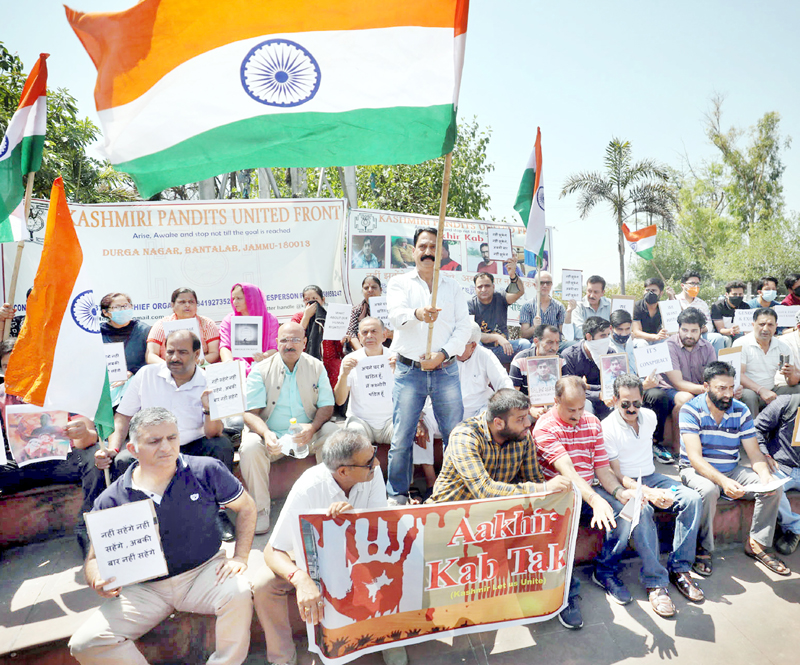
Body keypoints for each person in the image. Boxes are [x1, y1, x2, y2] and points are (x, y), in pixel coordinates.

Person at [69, 407, 256, 665]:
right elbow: (92, 560)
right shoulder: (112, 498)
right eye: (154, 441)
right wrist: (97, 580)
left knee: (239, 592)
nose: (166, 447)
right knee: (86, 643)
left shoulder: (206, 470)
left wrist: (241, 557)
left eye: (172, 437)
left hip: (202, 574)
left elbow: (246, 507)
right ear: (133, 449)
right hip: (144, 589)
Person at [252, 429, 407, 665]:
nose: (376, 463)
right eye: (369, 461)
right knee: (264, 584)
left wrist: (353, 520)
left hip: (360, 555)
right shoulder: (308, 488)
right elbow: (272, 551)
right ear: (343, 471)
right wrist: (300, 579)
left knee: (400, 560)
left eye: (374, 454)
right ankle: (282, 658)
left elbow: (379, 530)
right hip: (317, 559)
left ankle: (390, 638)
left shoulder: (372, 474)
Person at [97, 330, 235, 537]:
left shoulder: (209, 381)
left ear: (197, 354)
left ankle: (217, 512)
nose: (174, 358)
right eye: (170, 352)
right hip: (153, 447)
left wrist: (208, 409)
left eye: (182, 352)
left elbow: (213, 432)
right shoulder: (147, 375)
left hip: (192, 446)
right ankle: (142, 526)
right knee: (123, 460)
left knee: (220, 446)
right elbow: (123, 416)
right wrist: (113, 448)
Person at [533, 376, 631, 629]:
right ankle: (566, 594)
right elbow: (568, 472)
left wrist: (619, 493)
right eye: (571, 409)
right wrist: (595, 499)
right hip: (559, 496)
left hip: (588, 492)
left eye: (581, 408)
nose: (577, 415)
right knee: (560, 531)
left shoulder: (592, 421)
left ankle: (605, 571)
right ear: (556, 401)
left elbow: (602, 468)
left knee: (626, 512)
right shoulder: (544, 428)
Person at [603, 374, 704, 615]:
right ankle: (655, 582)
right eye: (625, 403)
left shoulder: (649, 417)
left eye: (636, 403)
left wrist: (653, 488)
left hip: (651, 476)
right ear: (615, 400)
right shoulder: (607, 427)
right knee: (642, 509)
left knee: (692, 499)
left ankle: (680, 568)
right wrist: (647, 492)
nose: (631, 408)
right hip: (626, 485)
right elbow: (615, 474)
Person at [385, 226, 471, 504]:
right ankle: (397, 494)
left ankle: (452, 491)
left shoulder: (453, 287)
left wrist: (442, 354)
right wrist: (418, 313)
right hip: (409, 371)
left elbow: (463, 328)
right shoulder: (399, 283)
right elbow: (396, 317)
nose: (427, 252)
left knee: (454, 435)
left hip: (445, 369)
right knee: (402, 437)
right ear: (413, 251)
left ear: (441, 252)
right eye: (422, 247)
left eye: (433, 247)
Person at [679, 361, 789, 577]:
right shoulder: (690, 410)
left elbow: (755, 454)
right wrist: (723, 481)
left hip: (731, 469)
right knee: (709, 490)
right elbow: (695, 459)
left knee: (773, 488)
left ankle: (757, 543)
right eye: (721, 388)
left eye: (731, 387)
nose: (728, 394)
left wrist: (765, 476)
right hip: (695, 470)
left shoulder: (741, 410)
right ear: (706, 387)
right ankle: (703, 547)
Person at [0, 339, 105, 556]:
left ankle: (88, 528)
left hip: (63, 462)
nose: (12, 372)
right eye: (5, 367)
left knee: (96, 457)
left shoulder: (61, 390)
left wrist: (82, 433)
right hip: (19, 467)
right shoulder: (1, 396)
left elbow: (90, 437)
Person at [239, 321, 338, 533]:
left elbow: (327, 406)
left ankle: (329, 501)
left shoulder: (316, 366)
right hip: (272, 439)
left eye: (295, 340)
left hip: (307, 436)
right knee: (250, 447)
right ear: (277, 342)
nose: (289, 345)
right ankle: (261, 510)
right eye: (284, 340)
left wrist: (312, 428)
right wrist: (266, 433)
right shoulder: (260, 370)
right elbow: (249, 412)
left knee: (333, 434)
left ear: (304, 342)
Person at [430, 388, 571, 502]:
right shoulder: (465, 437)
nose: (528, 423)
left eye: (527, 416)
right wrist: (543, 488)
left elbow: (534, 480)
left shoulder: (522, 436)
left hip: (494, 517)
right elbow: (484, 491)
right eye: (520, 419)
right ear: (498, 423)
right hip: (447, 515)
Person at [657, 307, 718, 454]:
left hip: (699, 389)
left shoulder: (708, 347)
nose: (689, 335)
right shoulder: (669, 346)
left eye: (694, 331)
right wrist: (707, 389)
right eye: (684, 330)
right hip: (671, 390)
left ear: (701, 330)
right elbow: (678, 383)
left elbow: (713, 377)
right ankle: (679, 449)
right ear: (678, 328)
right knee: (686, 399)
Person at [335, 317, 394, 445]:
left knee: (404, 434)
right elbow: (340, 400)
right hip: (361, 421)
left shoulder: (395, 358)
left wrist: (398, 371)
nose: (369, 336)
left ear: (384, 335)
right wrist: (344, 375)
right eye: (365, 332)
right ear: (359, 337)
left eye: (374, 331)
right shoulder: (351, 360)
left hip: (391, 420)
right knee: (353, 436)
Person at [733, 307, 800, 418]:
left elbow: (791, 382)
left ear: (776, 326)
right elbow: (739, 374)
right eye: (762, 324)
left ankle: (791, 427)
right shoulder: (741, 343)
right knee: (749, 396)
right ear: (753, 325)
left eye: (770, 325)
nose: (765, 328)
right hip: (749, 390)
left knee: (798, 390)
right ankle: (753, 428)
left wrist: (791, 373)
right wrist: (761, 390)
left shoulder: (783, 347)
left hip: (772, 389)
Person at [754, 394, 800, 555]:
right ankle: (795, 528)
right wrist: (765, 454)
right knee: (770, 487)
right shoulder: (787, 402)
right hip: (780, 467)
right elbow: (756, 428)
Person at [99, 292, 151, 404]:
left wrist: (132, 372)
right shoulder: (98, 334)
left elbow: (152, 359)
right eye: (117, 307)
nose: (123, 310)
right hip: (105, 387)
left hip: (137, 386)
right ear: (106, 312)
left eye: (126, 306)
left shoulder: (144, 330)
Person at [469, 267, 528, 364]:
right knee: (475, 344)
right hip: (482, 352)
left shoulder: (501, 298)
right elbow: (472, 334)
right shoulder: (470, 305)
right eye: (480, 287)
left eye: (487, 286)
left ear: (493, 286)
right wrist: (497, 337)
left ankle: (518, 372)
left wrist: (513, 276)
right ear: (475, 289)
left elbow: (520, 292)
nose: (483, 289)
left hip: (502, 349)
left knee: (525, 344)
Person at [146, 287, 220, 364]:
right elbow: (150, 355)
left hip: (200, 368)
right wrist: (169, 366)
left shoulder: (207, 324)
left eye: (191, 302)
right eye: (182, 302)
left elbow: (214, 353)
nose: (187, 305)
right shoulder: (161, 325)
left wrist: (196, 363)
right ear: (172, 305)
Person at [219, 282, 279, 373]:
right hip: (237, 368)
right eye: (233, 298)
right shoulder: (229, 320)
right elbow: (225, 346)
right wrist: (229, 364)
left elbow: (274, 347)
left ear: (251, 299)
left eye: (239, 298)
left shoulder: (270, 319)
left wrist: (263, 356)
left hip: (265, 367)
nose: (235, 302)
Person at [292, 285, 344, 388]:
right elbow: (294, 337)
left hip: (329, 362)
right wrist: (306, 317)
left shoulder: (331, 317)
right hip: (306, 360)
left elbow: (338, 346)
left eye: (315, 299)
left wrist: (343, 341)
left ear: (323, 300)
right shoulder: (298, 317)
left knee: (339, 368)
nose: (311, 302)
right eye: (307, 300)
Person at [560, 316, 613, 419]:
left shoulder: (610, 353)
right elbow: (571, 389)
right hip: (583, 399)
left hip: (606, 397)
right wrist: (598, 395)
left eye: (608, 335)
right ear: (589, 337)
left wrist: (589, 387)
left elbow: (613, 384)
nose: (606, 339)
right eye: (603, 335)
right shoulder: (570, 355)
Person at [675, 270, 727, 353]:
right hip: (680, 335)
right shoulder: (673, 300)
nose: (695, 286)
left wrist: (700, 330)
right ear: (682, 285)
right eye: (692, 283)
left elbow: (709, 325)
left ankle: (716, 362)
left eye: (698, 284)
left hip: (700, 335)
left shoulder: (702, 304)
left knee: (718, 338)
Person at [518, 271, 574, 345]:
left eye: (548, 283)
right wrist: (534, 327)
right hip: (535, 345)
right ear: (535, 285)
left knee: (572, 344)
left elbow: (564, 332)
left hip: (555, 345)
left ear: (551, 285)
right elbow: (524, 334)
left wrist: (569, 313)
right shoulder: (527, 306)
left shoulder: (559, 306)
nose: (545, 285)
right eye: (541, 283)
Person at [510, 324, 560, 397]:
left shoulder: (561, 360)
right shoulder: (520, 361)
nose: (555, 348)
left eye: (557, 342)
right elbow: (513, 395)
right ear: (536, 342)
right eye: (550, 342)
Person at [346, 275, 392, 351]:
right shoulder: (356, 310)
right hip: (363, 350)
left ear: (381, 290)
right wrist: (363, 353)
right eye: (366, 288)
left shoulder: (391, 308)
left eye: (374, 287)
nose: (370, 290)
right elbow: (351, 333)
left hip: (389, 351)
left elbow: (402, 331)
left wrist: (392, 334)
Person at [632, 277, 675, 344]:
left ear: (661, 293)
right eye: (647, 290)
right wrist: (655, 337)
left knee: (669, 342)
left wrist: (671, 297)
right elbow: (636, 332)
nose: (650, 293)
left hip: (659, 339)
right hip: (642, 340)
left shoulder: (663, 307)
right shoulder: (637, 306)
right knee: (641, 344)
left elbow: (674, 325)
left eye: (653, 290)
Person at [710, 280, 750, 346]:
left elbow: (747, 328)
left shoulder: (745, 307)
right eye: (734, 294)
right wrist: (731, 331)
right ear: (727, 294)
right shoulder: (718, 306)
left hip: (738, 333)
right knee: (727, 340)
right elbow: (720, 329)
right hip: (722, 334)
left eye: (740, 294)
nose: (737, 296)